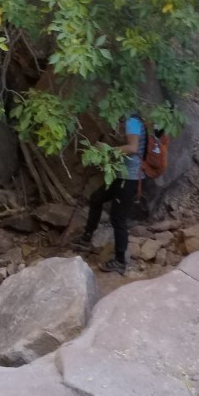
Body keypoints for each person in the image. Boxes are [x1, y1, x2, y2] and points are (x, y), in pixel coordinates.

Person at [74, 113, 146, 276]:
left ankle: (120, 261)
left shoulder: (132, 121)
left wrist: (107, 150)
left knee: (118, 218)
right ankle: (87, 235)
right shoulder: (134, 121)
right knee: (96, 198)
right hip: (122, 175)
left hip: (130, 178)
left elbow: (133, 148)